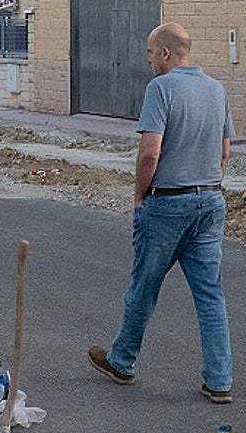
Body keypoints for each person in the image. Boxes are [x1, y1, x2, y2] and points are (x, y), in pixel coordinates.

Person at [87, 22, 234, 403]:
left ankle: (122, 360)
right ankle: (219, 380)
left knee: (144, 286)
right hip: (210, 199)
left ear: (167, 53)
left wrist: (140, 194)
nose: (148, 58)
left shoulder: (161, 89)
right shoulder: (216, 90)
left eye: (151, 52)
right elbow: (224, 152)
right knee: (210, 295)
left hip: (168, 203)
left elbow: (150, 151)